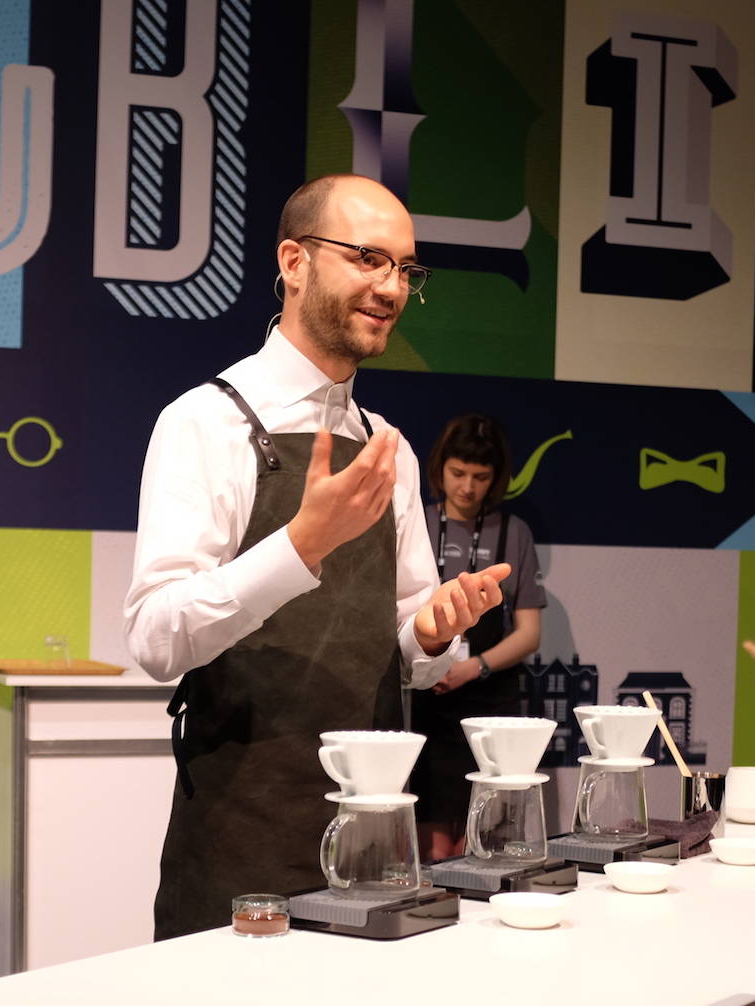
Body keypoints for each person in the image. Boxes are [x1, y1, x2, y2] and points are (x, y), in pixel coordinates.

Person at [124, 173, 511, 940]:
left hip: (373, 842)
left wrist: (432, 632)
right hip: (242, 836)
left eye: (405, 269)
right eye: (368, 258)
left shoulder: (387, 448)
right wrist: (300, 545)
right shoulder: (205, 422)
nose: (391, 286)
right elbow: (156, 638)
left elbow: (404, 649)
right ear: (294, 262)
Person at [409, 413, 546, 859]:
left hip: (491, 702)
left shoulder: (514, 533)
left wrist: (474, 666)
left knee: (487, 844)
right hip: (428, 698)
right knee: (433, 848)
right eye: (458, 473)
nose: (467, 487)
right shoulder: (417, 526)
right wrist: (439, 666)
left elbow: (528, 634)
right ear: (440, 469)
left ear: (496, 479)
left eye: (480, 476)